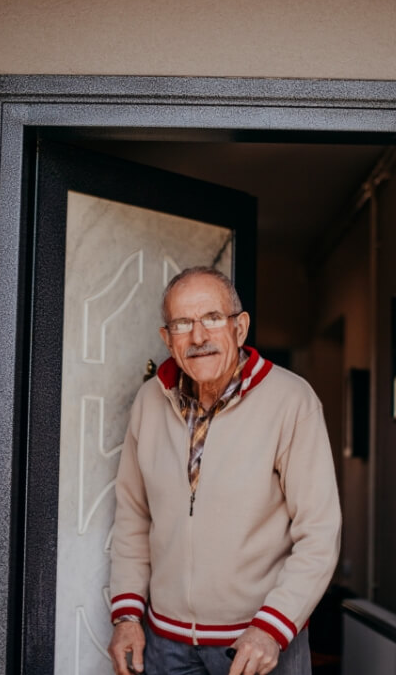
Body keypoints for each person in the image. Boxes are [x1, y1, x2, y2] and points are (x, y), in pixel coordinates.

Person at [107, 267, 341, 675]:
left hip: (258, 644)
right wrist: (127, 616)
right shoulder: (149, 402)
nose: (198, 337)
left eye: (212, 318)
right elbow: (132, 517)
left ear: (240, 327)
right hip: (165, 644)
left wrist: (273, 627)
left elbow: (319, 533)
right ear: (167, 338)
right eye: (182, 324)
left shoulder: (292, 400)